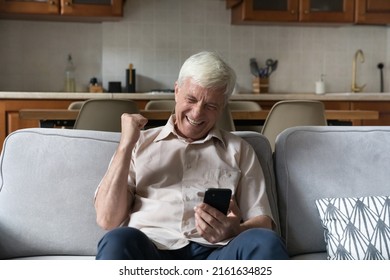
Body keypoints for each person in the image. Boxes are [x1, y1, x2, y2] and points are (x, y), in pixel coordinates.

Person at [94, 51, 289, 260]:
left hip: (216, 254)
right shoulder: (139, 143)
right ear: (176, 91)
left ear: (222, 106)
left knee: (266, 242)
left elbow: (263, 223)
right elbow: (107, 219)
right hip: (151, 249)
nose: (197, 113)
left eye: (210, 106)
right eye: (191, 99)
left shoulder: (240, 151)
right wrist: (125, 145)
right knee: (117, 240)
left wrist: (235, 231)